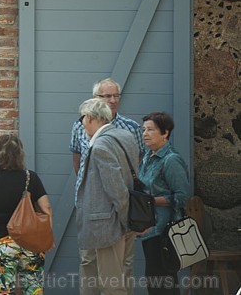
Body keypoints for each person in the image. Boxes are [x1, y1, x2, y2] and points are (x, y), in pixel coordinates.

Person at [70, 78, 145, 292]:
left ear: (92, 117)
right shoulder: (123, 135)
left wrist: (124, 219)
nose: (82, 123)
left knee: (113, 279)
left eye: (116, 95)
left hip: (108, 219)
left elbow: (118, 186)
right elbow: (80, 168)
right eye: (107, 96)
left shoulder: (109, 140)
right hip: (102, 212)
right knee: (93, 270)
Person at [0, 133, 52, 295]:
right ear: (19, 155)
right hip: (31, 241)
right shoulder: (31, 178)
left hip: (2, 243)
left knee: (3, 290)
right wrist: (48, 235)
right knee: (33, 289)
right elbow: (46, 208)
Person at [137, 112, 190, 295]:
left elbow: (182, 196)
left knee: (163, 282)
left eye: (150, 130)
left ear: (165, 132)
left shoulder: (171, 159)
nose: (145, 133)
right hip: (149, 227)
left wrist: (151, 201)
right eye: (143, 129)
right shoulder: (147, 156)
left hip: (165, 230)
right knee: (153, 281)